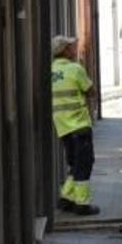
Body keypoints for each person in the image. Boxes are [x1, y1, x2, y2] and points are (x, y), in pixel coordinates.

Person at [51, 36, 100, 216]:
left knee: (75, 163)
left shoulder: (50, 71)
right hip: (79, 125)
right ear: (63, 50)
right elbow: (91, 91)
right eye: (71, 47)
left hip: (63, 127)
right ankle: (82, 204)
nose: (74, 49)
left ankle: (65, 199)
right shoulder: (75, 69)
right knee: (85, 164)